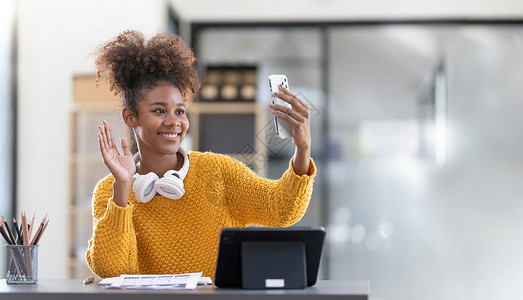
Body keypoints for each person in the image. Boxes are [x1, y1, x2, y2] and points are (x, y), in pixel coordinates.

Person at [85, 30, 316, 279]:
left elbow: (282, 210)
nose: (174, 122)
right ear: (131, 117)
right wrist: (122, 186)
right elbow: (113, 271)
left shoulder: (217, 171)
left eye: (180, 111)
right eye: (160, 111)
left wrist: (302, 149)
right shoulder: (109, 191)